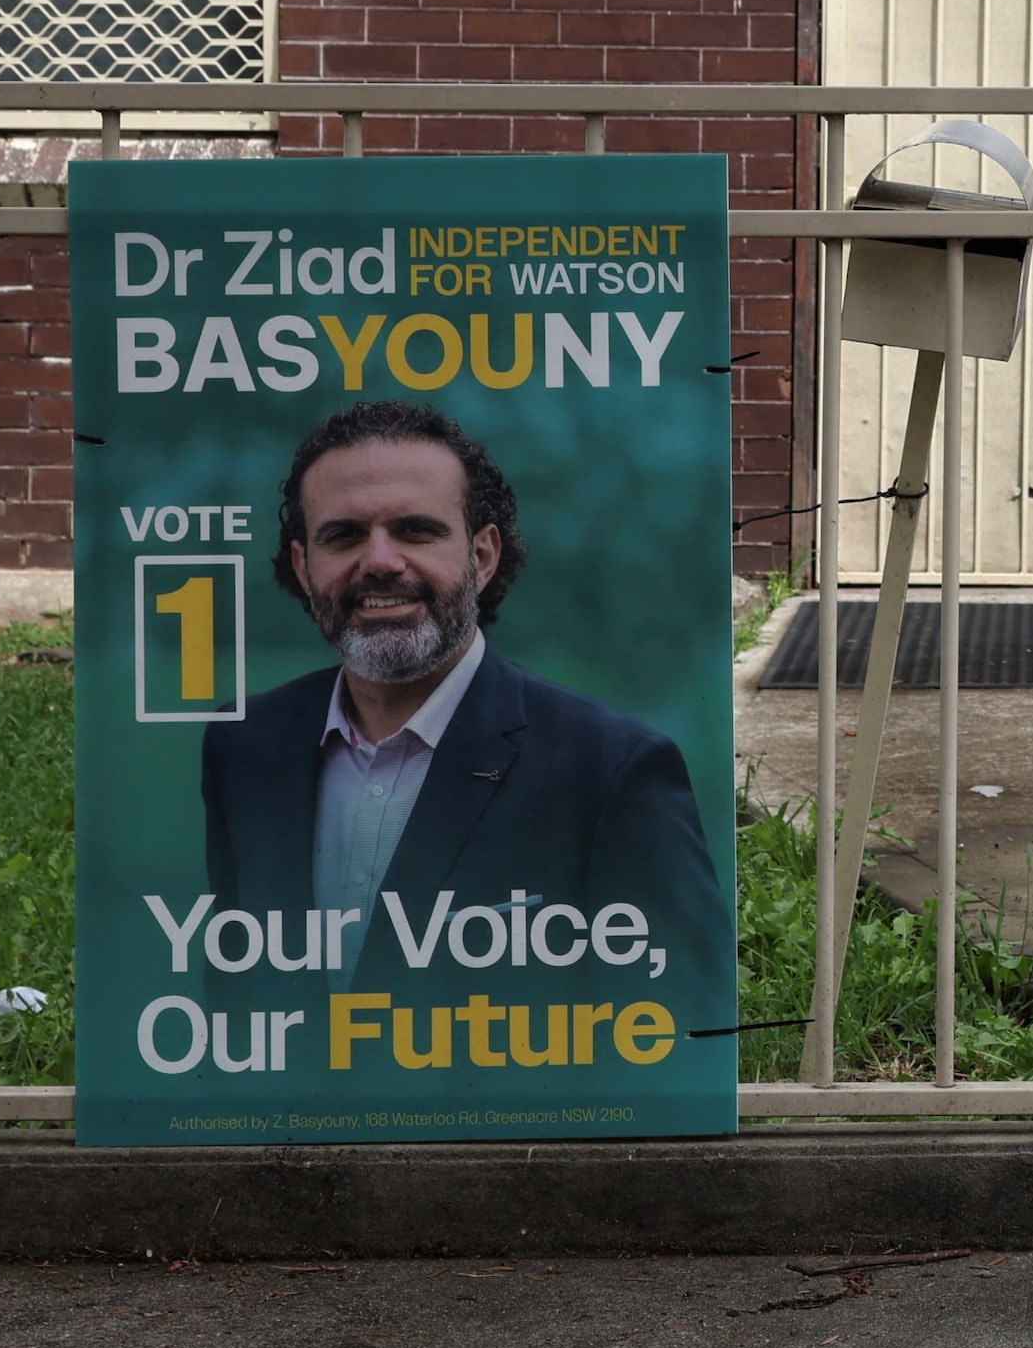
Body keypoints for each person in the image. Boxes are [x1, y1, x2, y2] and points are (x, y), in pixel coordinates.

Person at [200, 399, 731, 1004]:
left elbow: (680, 1032)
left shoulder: (612, 769)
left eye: (415, 530)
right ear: (303, 565)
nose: (379, 561)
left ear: (481, 557)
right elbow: (236, 995)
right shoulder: (241, 745)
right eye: (343, 535)